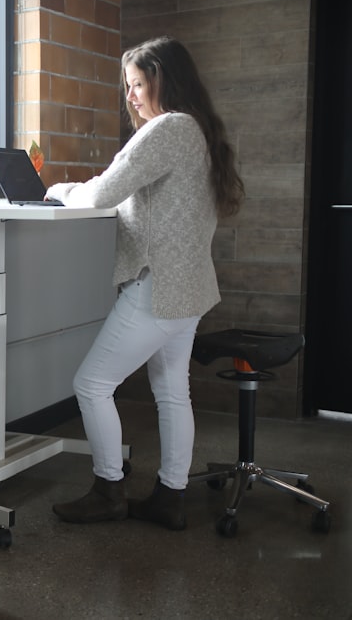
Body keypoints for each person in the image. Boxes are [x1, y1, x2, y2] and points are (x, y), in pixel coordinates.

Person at [46, 36, 245, 531]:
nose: (131, 96)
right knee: (173, 391)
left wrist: (55, 189)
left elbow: (102, 194)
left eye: (138, 84)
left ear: (164, 80)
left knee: (91, 384)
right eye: (128, 86)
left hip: (158, 290)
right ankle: (169, 497)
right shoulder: (195, 130)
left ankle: (108, 489)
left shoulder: (167, 128)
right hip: (190, 289)